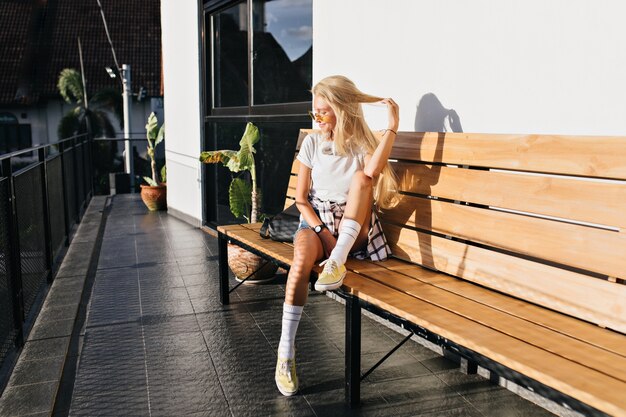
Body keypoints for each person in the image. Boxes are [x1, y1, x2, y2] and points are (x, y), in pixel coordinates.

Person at [275, 75, 400, 396]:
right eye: (314, 113)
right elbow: (301, 199)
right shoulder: (312, 143)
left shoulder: (361, 145)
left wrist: (392, 125)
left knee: (362, 178)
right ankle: (285, 355)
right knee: (300, 262)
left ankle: (337, 262)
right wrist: (320, 232)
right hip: (316, 222)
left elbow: (371, 176)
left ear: (341, 110)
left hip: (353, 226)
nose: (317, 118)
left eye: (323, 112)